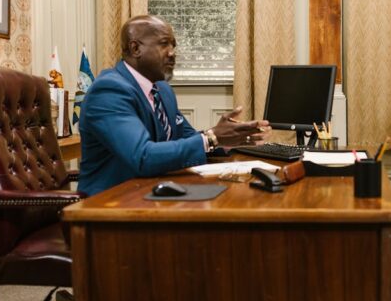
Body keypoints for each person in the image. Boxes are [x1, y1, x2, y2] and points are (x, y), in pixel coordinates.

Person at [78, 15, 269, 195]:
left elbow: (188, 138)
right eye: (164, 44)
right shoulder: (109, 91)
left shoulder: (162, 89)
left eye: (173, 45)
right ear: (136, 48)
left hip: (151, 191)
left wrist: (226, 140)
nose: (172, 53)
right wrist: (211, 139)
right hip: (110, 204)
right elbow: (143, 157)